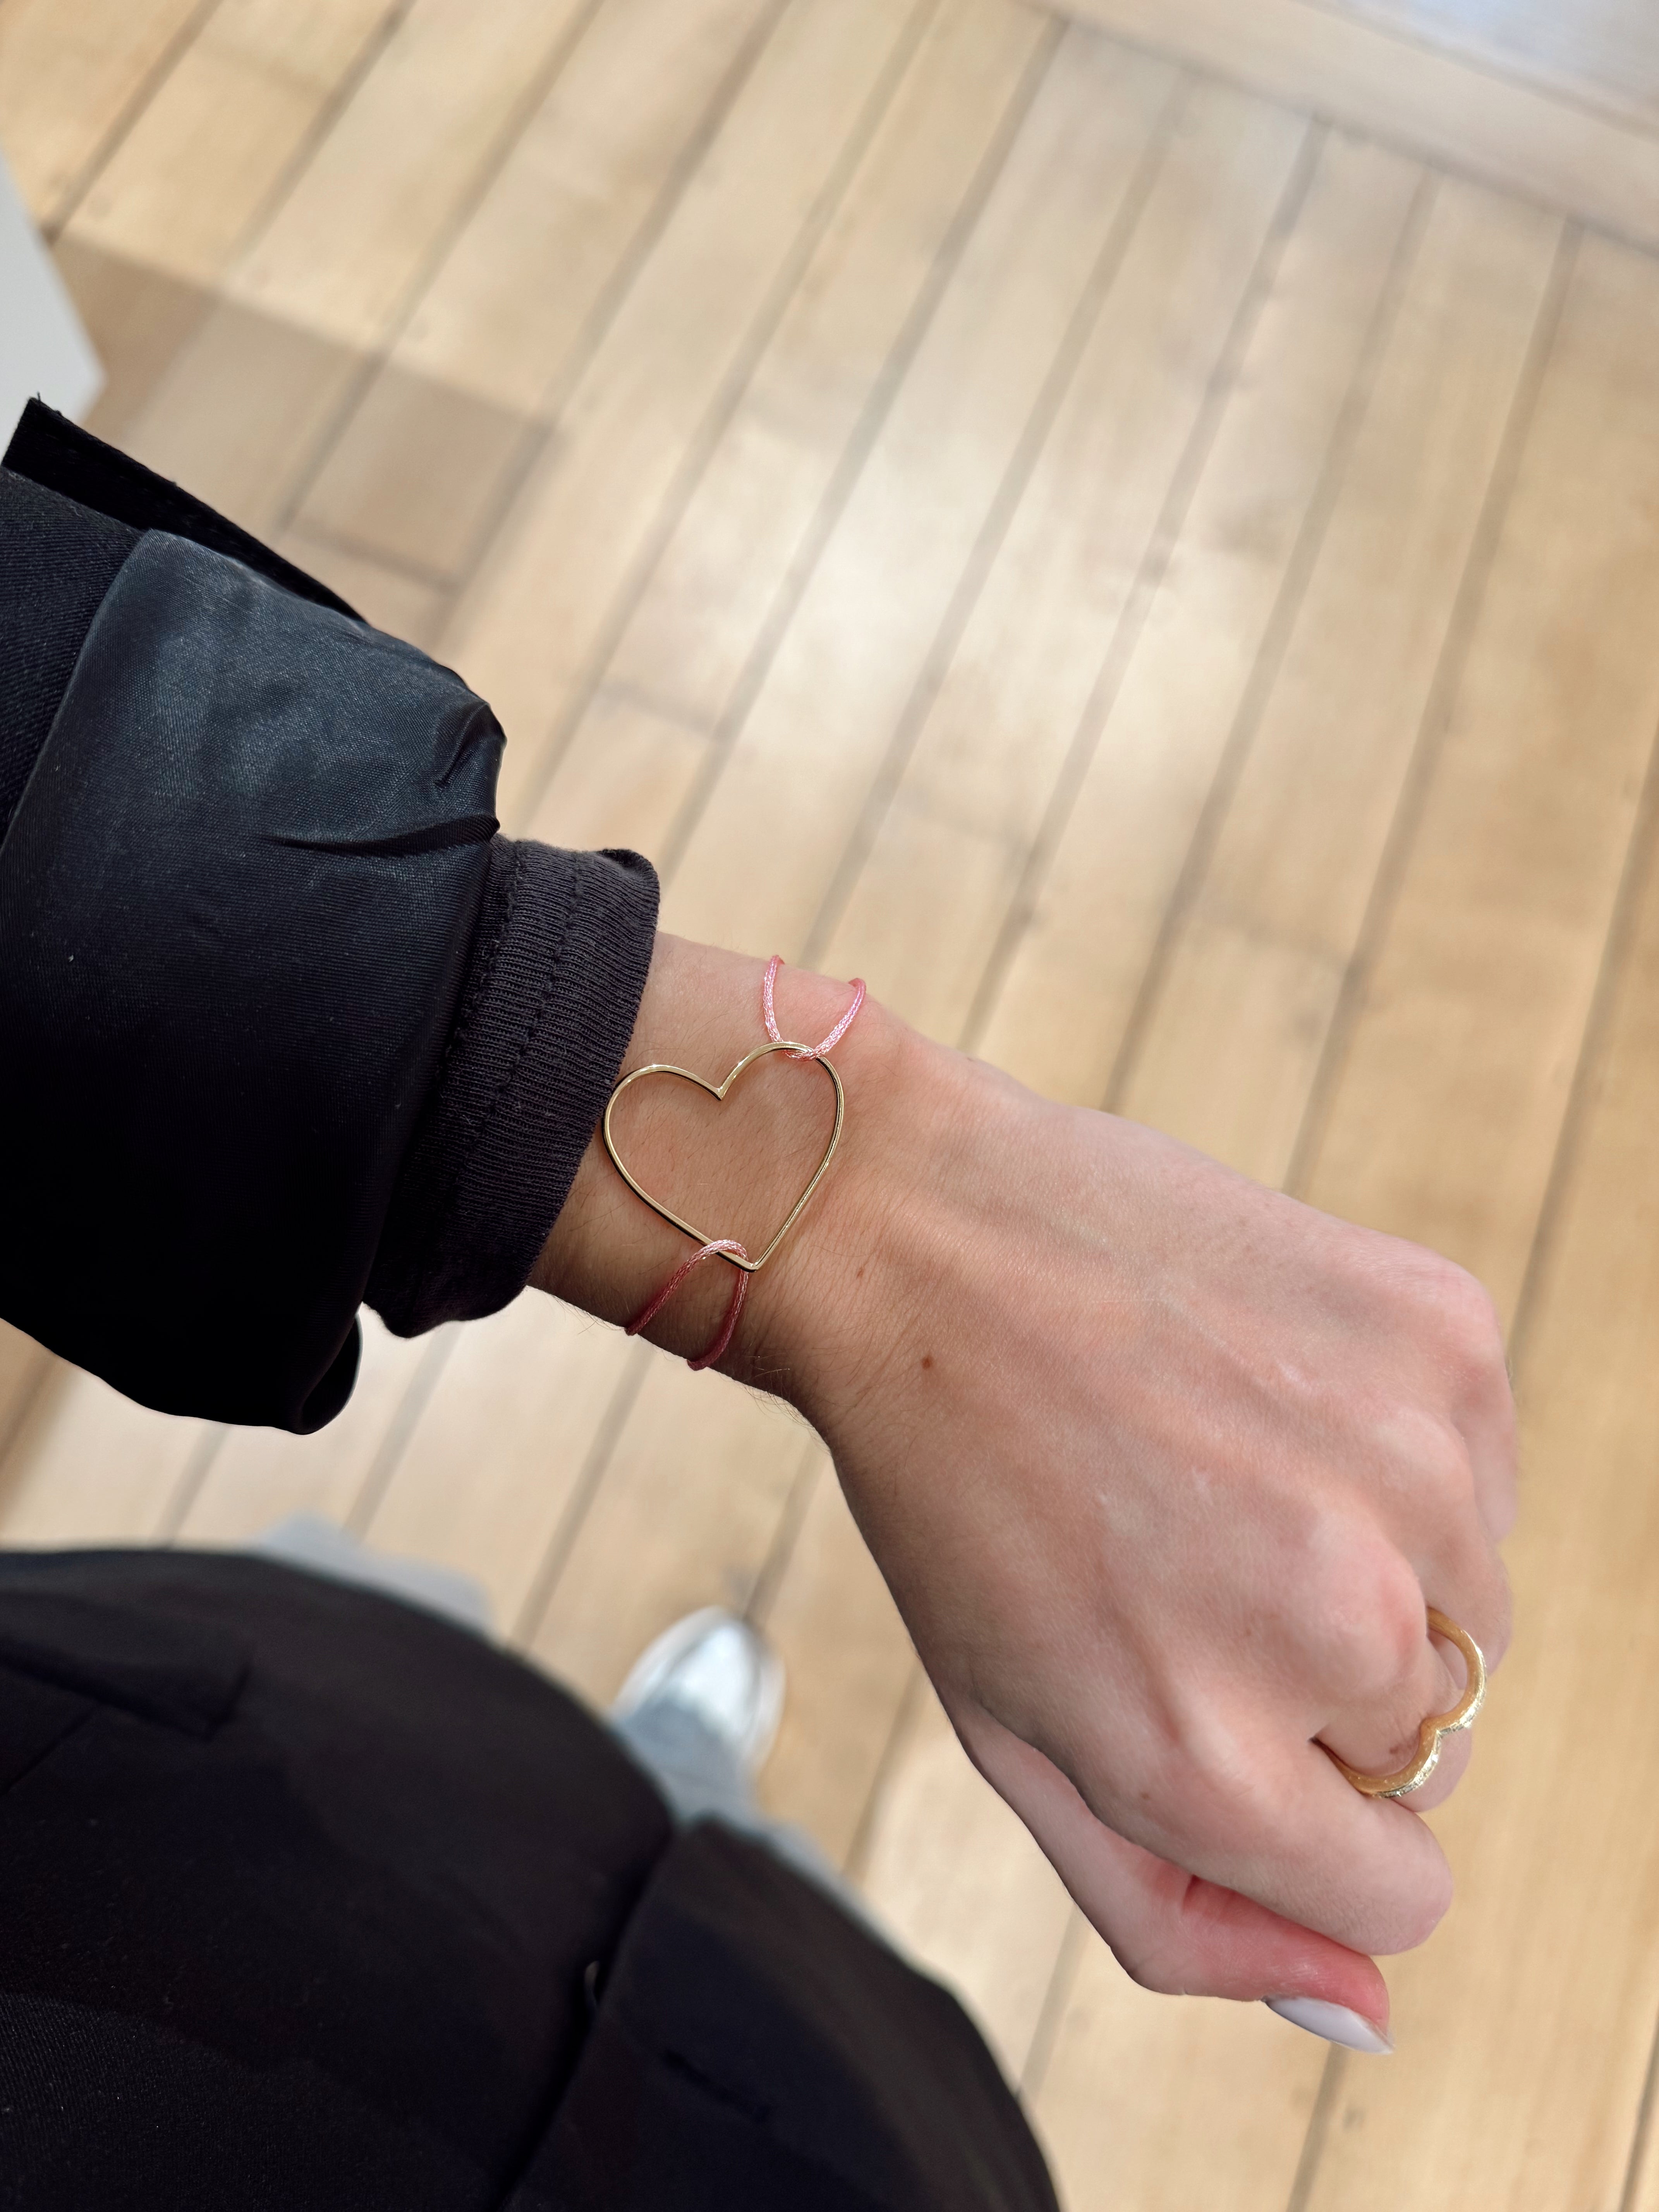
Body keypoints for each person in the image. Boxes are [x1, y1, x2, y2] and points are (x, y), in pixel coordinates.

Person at [0, 403, 1515, 2201]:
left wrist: (724, 1135)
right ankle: (685, 1789)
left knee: (492, 1770)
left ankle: (668, 1769)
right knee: (745, 1965)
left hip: (197, 1792)